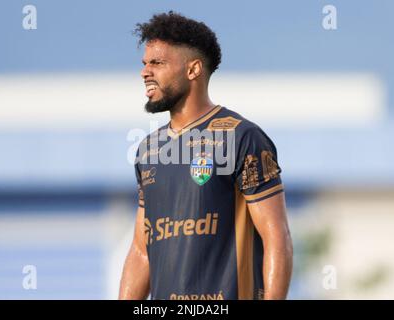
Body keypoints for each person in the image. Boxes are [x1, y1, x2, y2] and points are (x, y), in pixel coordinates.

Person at [119, 11, 293, 300]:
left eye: (157, 63)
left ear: (193, 70)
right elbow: (140, 250)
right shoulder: (148, 149)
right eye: (145, 63)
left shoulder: (242, 137)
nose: (145, 72)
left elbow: (277, 236)